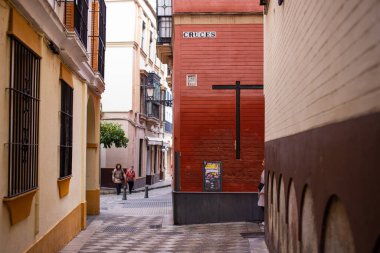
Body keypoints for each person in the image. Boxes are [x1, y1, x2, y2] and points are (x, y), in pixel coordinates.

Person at [258, 159, 265, 225]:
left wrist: (263, 190)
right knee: (262, 205)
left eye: (263, 162)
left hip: (264, 190)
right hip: (262, 188)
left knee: (263, 206)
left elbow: (265, 182)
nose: (262, 163)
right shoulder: (264, 171)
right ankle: (265, 219)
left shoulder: (265, 171)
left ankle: (265, 220)